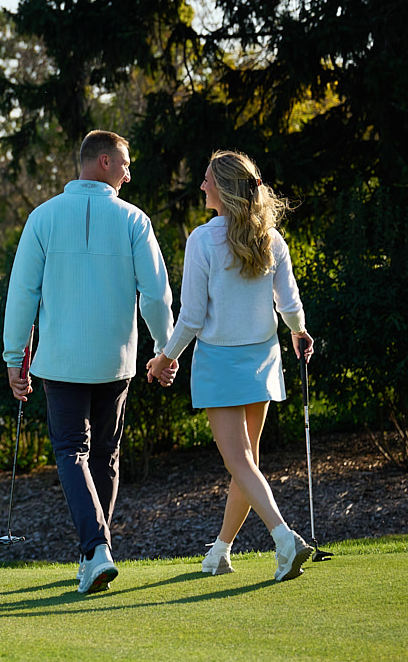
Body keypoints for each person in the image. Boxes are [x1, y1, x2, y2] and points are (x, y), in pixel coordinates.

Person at [4, 130, 177, 594]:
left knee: (71, 453)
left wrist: (13, 357)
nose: (128, 171)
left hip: (60, 362)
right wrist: (165, 348)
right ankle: (95, 552)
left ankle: (95, 550)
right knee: (104, 455)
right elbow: (156, 294)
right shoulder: (133, 220)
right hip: (114, 362)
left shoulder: (42, 217)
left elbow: (22, 294)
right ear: (102, 162)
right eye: (124, 162)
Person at [146, 149, 316, 582]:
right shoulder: (271, 237)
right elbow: (291, 305)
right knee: (247, 463)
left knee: (240, 462)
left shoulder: (202, 239)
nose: (201, 186)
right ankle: (219, 552)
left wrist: (164, 358)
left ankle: (284, 539)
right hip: (261, 357)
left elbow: (192, 317)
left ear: (222, 187)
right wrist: (299, 332)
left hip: (221, 361)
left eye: (206, 179)